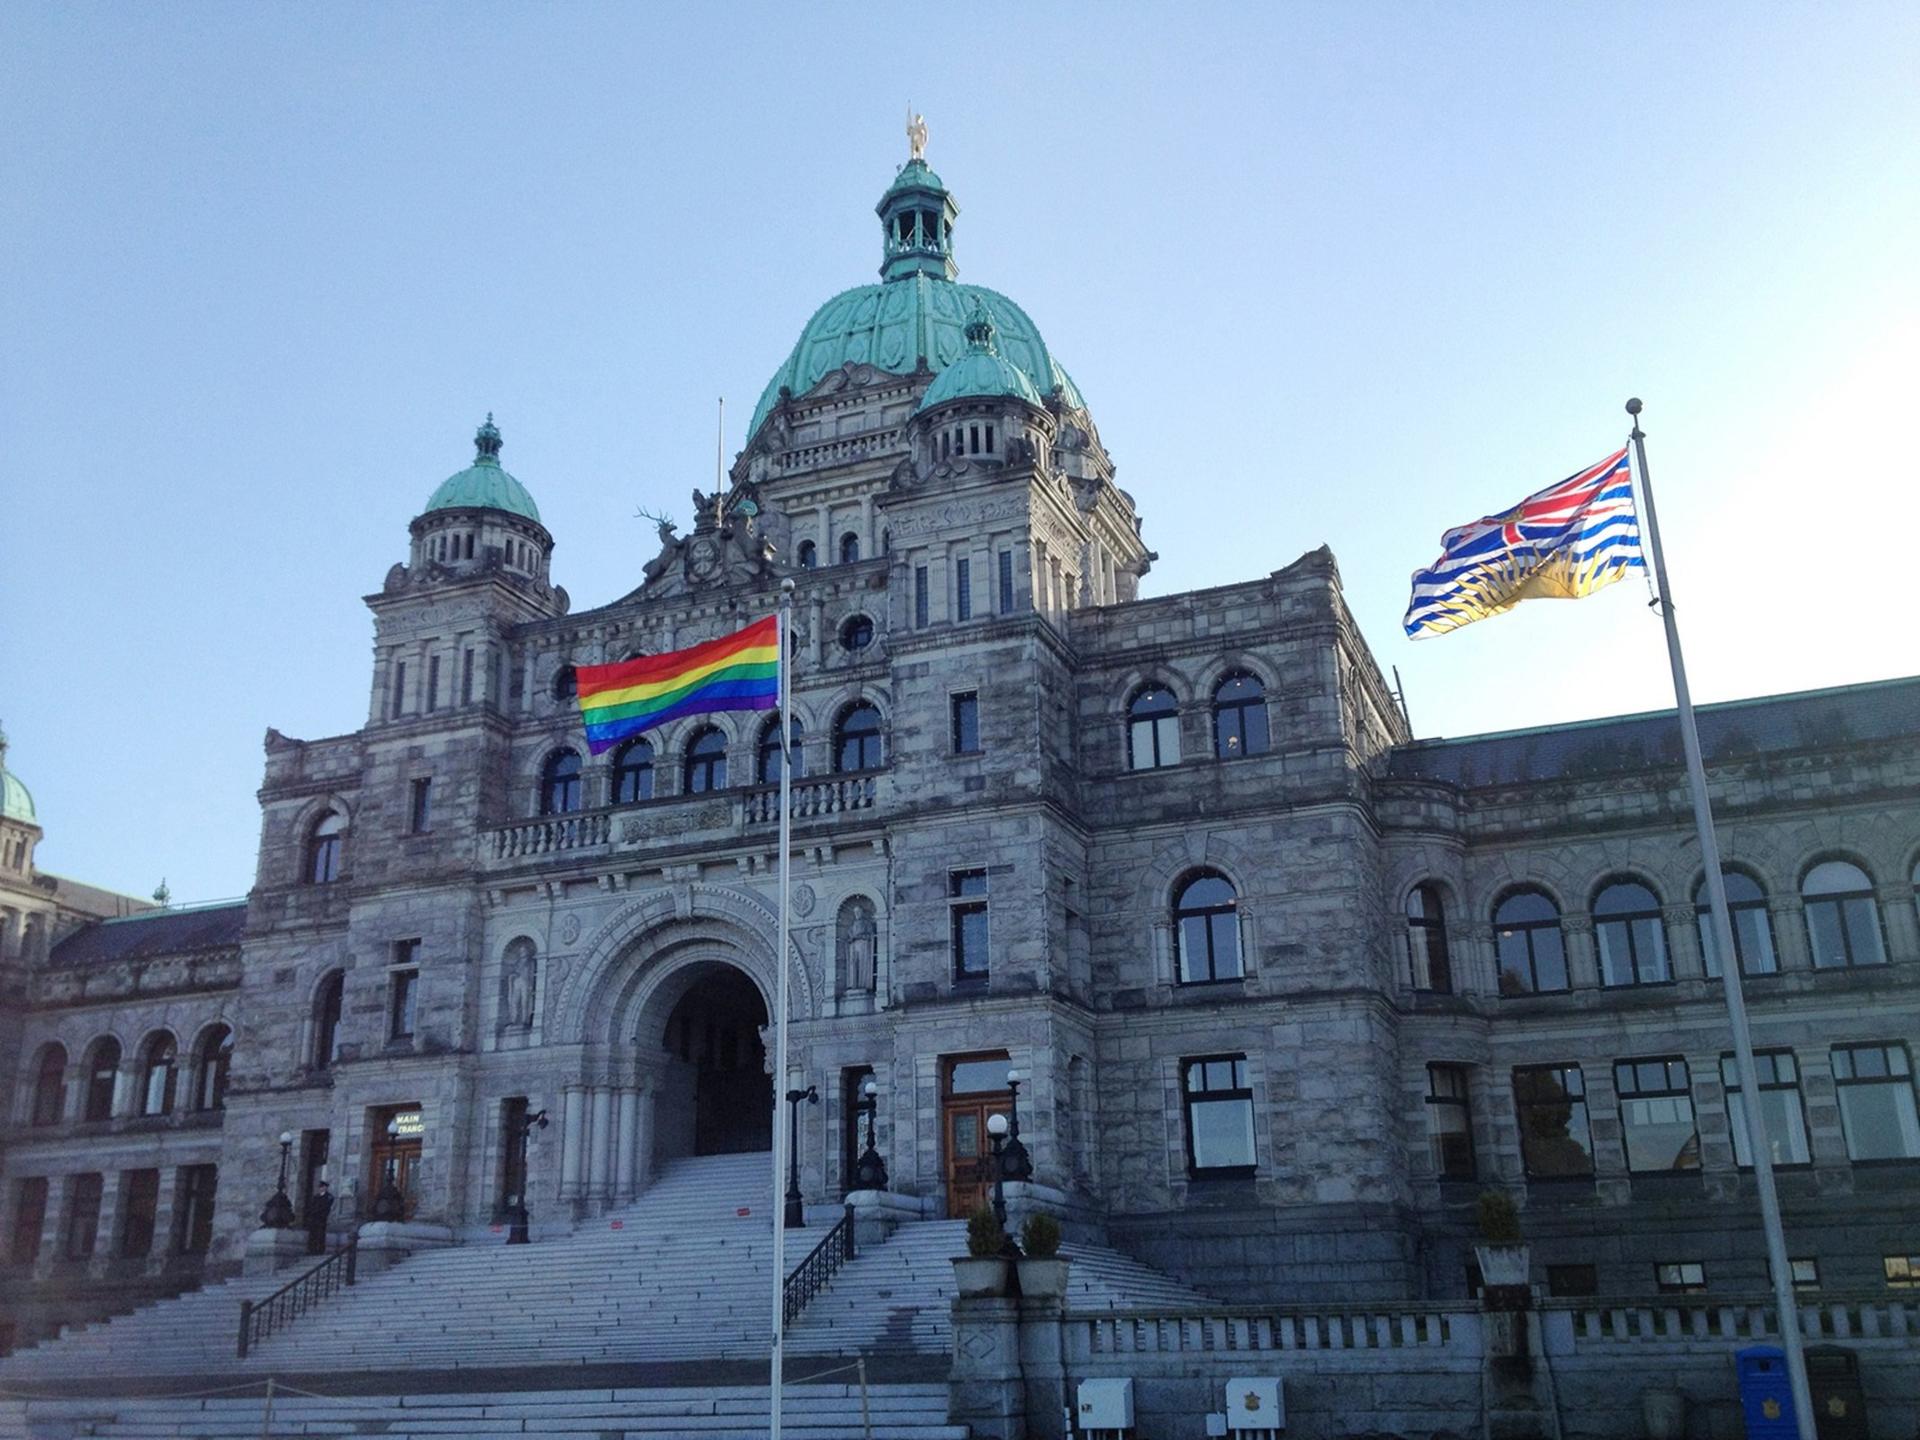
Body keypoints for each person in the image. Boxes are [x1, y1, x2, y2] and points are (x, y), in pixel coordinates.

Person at [304, 1179, 334, 1255]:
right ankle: (312, 1250)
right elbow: (312, 1206)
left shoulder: (329, 1197)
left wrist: (320, 1213)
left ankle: (320, 1250)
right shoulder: (316, 1196)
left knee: (321, 1234)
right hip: (314, 1218)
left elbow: (326, 1207)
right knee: (313, 1234)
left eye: (322, 1187)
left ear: (325, 1187)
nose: (321, 1188)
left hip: (321, 1218)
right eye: (320, 1187)